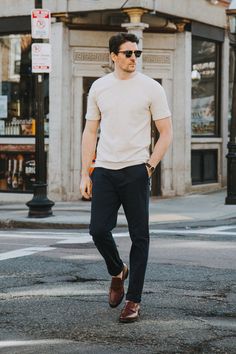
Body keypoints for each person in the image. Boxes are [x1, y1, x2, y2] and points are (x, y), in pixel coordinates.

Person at [80, 32, 173, 323]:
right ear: (113, 56)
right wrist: (86, 171)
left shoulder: (151, 88)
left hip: (136, 169)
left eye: (137, 53)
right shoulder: (99, 87)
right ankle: (117, 270)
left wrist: (150, 166)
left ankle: (134, 300)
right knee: (97, 230)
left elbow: (166, 132)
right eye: (128, 53)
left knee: (140, 237)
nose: (134, 58)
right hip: (105, 170)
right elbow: (90, 131)